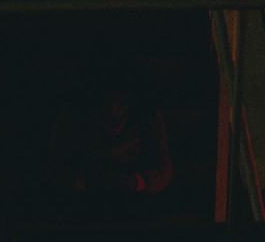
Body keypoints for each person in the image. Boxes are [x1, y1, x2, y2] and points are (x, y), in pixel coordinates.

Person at [47, 81, 172, 210]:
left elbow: (163, 170)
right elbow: (56, 169)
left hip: (137, 204)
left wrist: (135, 182)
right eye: (104, 105)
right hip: (80, 205)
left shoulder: (146, 114)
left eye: (120, 104)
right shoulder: (72, 112)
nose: (113, 110)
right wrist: (86, 182)